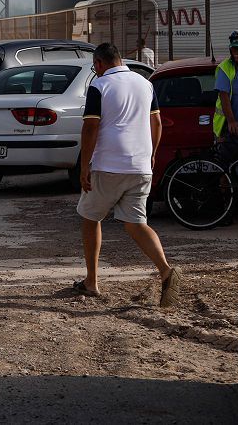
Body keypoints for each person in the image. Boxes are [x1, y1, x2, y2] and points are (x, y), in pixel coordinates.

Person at [76, 42, 180, 306]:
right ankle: (166, 269)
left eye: (95, 67)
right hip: (140, 165)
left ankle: (91, 281)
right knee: (136, 223)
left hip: (109, 164)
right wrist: (153, 154)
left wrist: (84, 165)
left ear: (99, 63)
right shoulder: (145, 83)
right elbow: (155, 122)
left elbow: (90, 128)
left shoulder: (99, 86)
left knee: (90, 217)